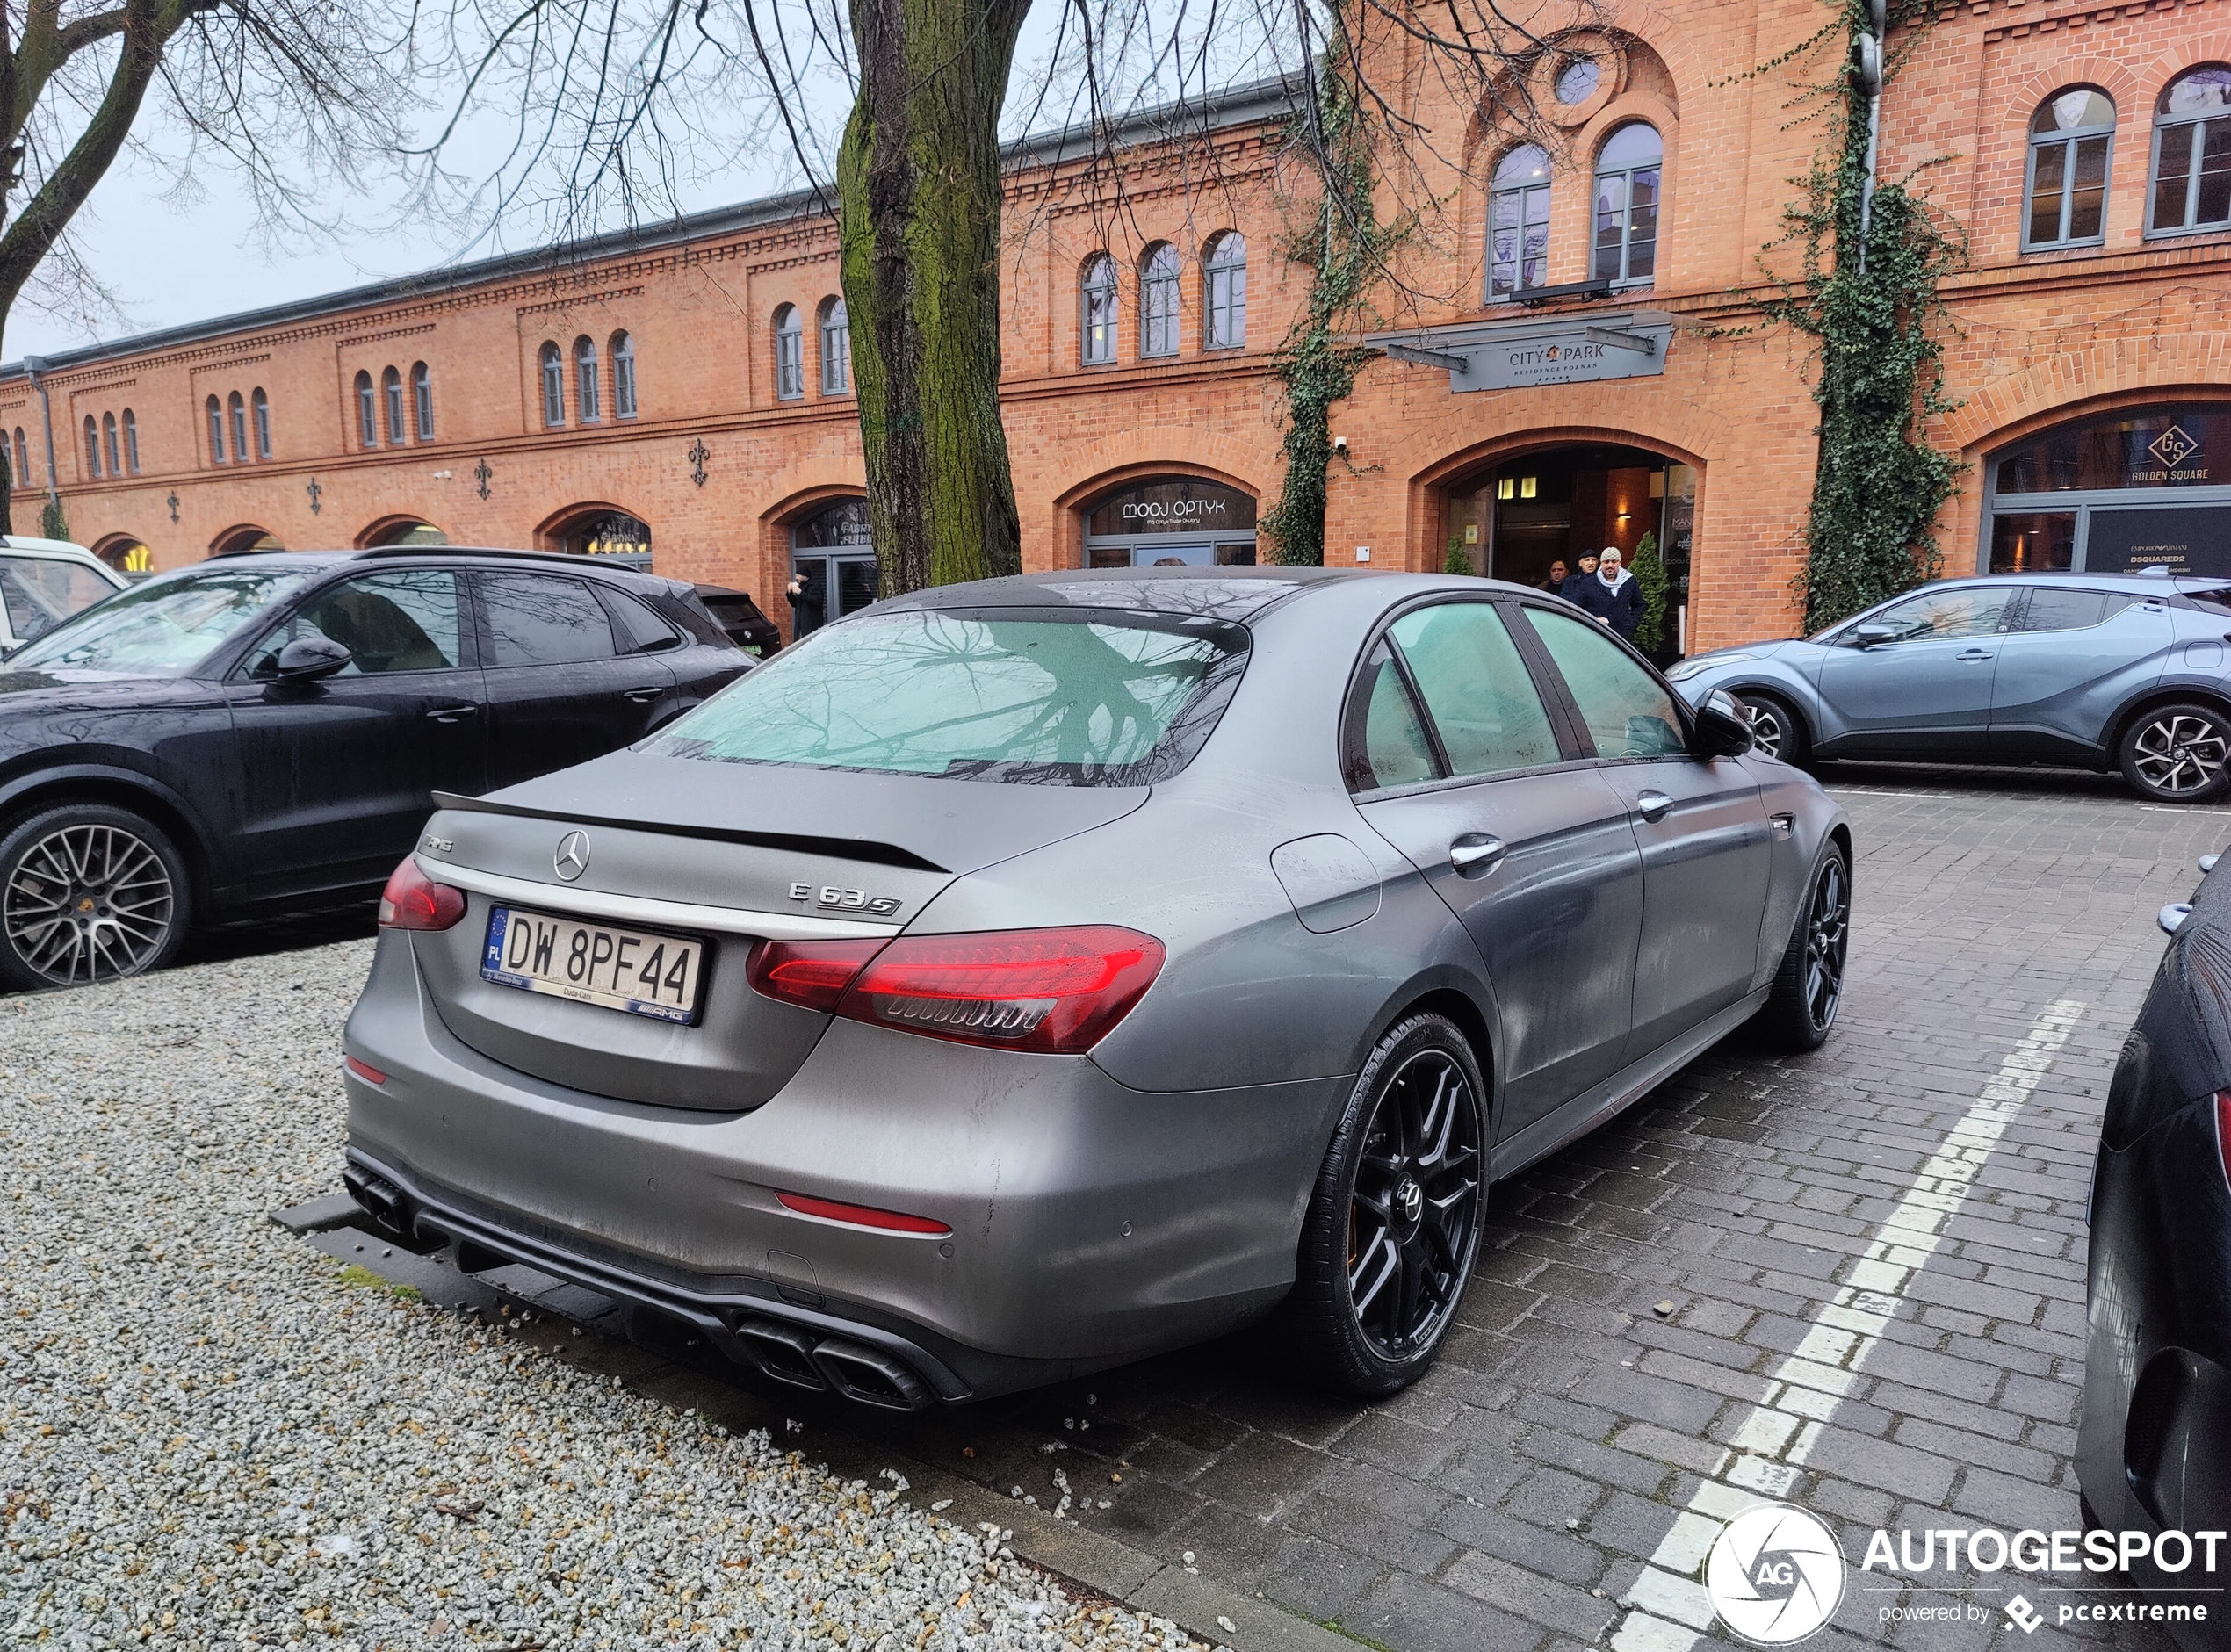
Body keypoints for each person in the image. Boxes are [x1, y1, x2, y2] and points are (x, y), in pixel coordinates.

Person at [1567, 546, 1643, 639]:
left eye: (1614, 562)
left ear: (1620, 563)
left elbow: (1639, 605)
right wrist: (1592, 621)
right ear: (1601, 563)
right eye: (1606, 562)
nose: (1610, 565)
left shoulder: (1629, 581)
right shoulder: (1588, 584)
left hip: (1622, 638)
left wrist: (1630, 623)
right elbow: (1575, 607)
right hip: (1596, 636)